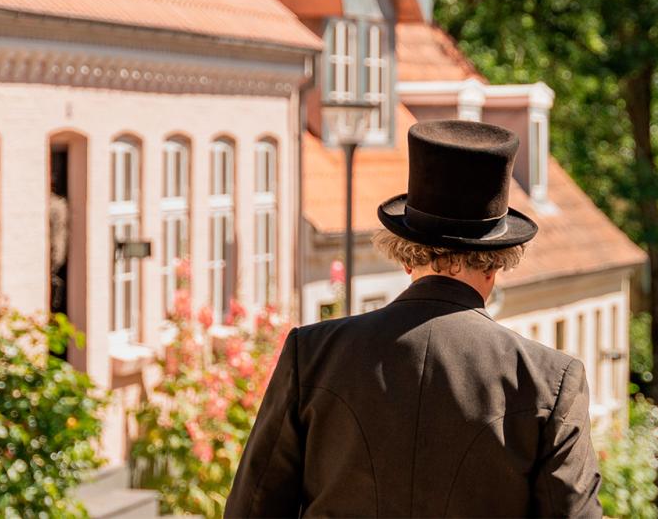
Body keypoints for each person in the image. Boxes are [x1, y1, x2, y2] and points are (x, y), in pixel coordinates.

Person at [226, 120, 602, 518]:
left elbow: (251, 510)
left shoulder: (313, 354)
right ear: (496, 264)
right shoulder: (549, 381)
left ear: (407, 257)